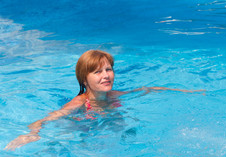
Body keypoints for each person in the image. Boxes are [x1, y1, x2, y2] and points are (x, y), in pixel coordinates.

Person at [5, 50, 204, 150]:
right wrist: (32, 134)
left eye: (108, 69)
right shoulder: (79, 103)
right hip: (84, 130)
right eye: (97, 72)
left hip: (109, 127)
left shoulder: (114, 96)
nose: (106, 75)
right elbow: (43, 120)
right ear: (85, 79)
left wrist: (187, 91)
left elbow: (148, 89)